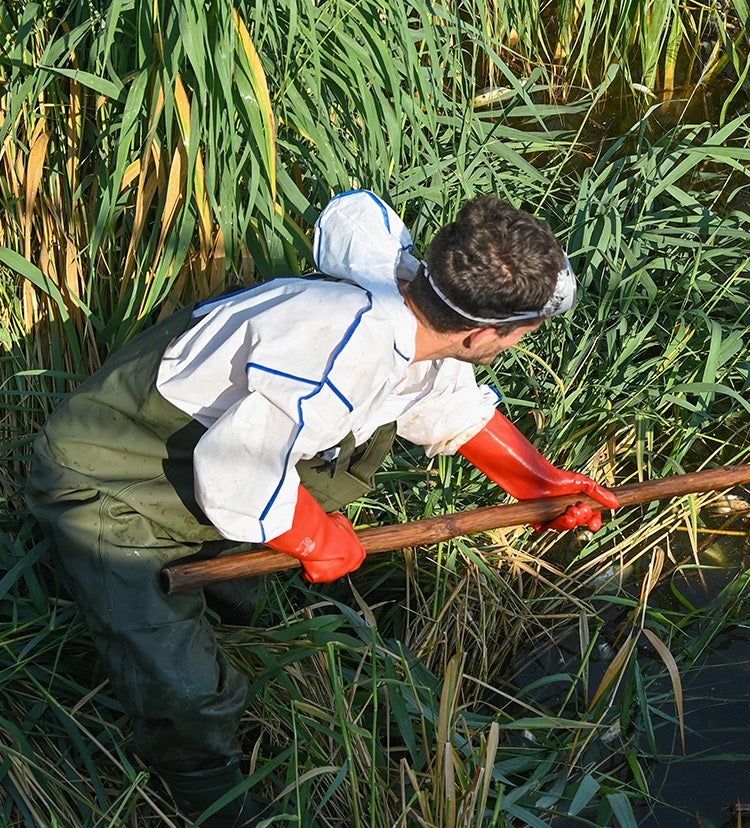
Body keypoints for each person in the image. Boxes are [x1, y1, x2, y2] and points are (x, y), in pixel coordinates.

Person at [25, 190, 619, 825]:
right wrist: (313, 537)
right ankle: (212, 797)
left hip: (202, 464)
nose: (523, 341)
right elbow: (232, 476)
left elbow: (440, 402)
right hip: (113, 482)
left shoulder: (415, 306)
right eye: (526, 330)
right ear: (481, 332)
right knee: (187, 691)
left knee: (246, 600)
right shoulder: (342, 347)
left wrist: (541, 483)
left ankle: (227, 597)